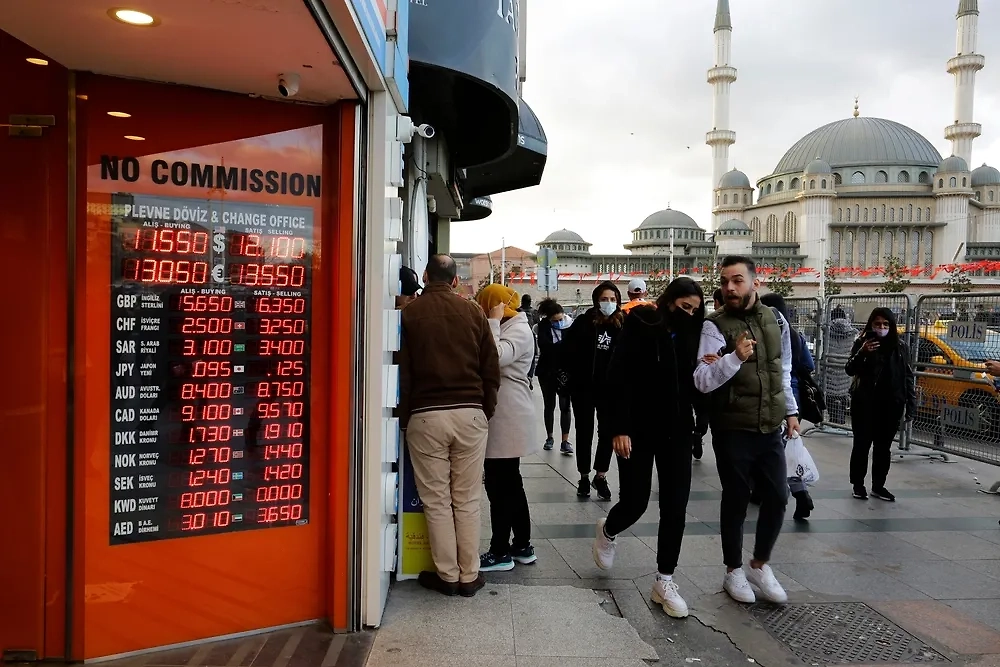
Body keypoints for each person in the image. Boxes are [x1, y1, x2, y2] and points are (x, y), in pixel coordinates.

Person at [592, 277, 707, 618]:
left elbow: (696, 383)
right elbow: (618, 377)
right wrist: (619, 429)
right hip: (637, 429)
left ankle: (664, 580)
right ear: (669, 302)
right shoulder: (642, 324)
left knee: (675, 506)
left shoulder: (694, 334)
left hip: (677, 429)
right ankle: (608, 530)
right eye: (684, 307)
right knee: (635, 502)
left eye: (695, 310)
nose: (689, 314)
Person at [694, 256, 799, 605]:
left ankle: (759, 564)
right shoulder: (714, 326)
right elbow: (702, 380)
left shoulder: (776, 319)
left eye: (737, 280)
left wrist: (791, 411)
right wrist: (734, 358)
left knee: (779, 496)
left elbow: (783, 368)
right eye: (725, 281)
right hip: (732, 427)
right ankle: (733, 570)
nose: (730, 287)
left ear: (756, 281)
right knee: (736, 499)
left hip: (770, 425)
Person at [397, 255, 501, 597]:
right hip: (470, 413)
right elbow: (490, 367)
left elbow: (403, 371)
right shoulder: (473, 312)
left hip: (426, 415)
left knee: (436, 500)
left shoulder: (409, 314)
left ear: (426, 277)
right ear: (456, 281)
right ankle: (469, 576)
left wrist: (405, 417)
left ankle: (447, 575)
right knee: (467, 499)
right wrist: (484, 409)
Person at [474, 284, 540, 572]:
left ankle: (500, 550)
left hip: (509, 417)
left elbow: (495, 357)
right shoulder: (511, 326)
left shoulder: (518, 329)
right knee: (509, 484)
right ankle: (522, 545)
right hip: (505, 415)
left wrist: (492, 321)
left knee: (500, 486)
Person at [845, 308, 916, 502]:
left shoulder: (900, 346)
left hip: (891, 405)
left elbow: (907, 376)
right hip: (865, 404)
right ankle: (858, 484)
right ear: (871, 325)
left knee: (883, 448)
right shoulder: (862, 343)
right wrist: (863, 352)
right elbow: (849, 369)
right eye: (877, 324)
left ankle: (878, 485)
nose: (882, 328)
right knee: (861, 445)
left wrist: (911, 403)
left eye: (886, 324)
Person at [563, 281, 624, 500]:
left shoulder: (622, 325)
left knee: (607, 432)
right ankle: (583, 476)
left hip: (610, 391)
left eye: (613, 299)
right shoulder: (583, 323)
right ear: (596, 300)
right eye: (604, 299)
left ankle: (601, 475)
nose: (609, 303)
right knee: (584, 432)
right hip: (583, 388)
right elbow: (567, 351)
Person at [760, 293, 816, 520]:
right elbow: (808, 364)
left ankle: (782, 493)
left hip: (773, 396)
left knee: (774, 451)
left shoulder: (765, 331)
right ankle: (800, 491)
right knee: (789, 448)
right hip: (794, 398)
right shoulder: (795, 335)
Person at [536, 298, 574, 453]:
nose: (559, 323)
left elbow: (573, 348)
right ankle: (549, 437)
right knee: (549, 405)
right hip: (547, 371)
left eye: (560, 319)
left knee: (565, 406)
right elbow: (544, 346)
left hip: (565, 371)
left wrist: (558, 348)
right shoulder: (542, 326)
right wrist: (561, 347)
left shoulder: (570, 326)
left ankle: (565, 441)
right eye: (555, 320)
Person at [824, 307, 858, 425]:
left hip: (830, 368)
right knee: (843, 395)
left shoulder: (827, 330)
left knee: (830, 395)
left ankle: (832, 421)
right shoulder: (851, 332)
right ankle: (841, 421)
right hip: (844, 369)